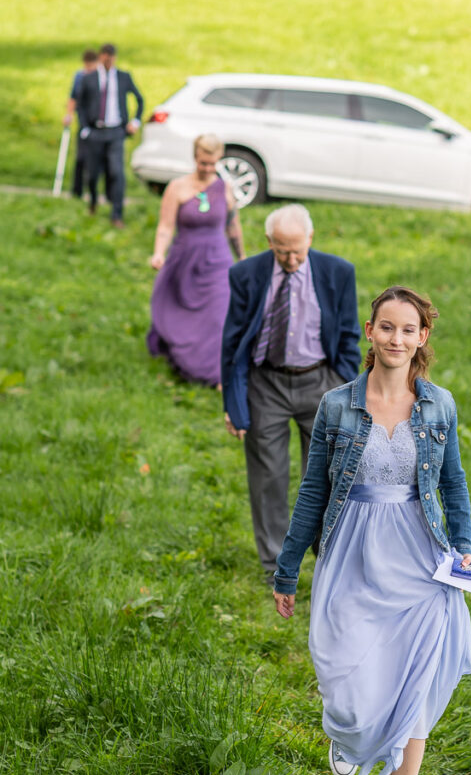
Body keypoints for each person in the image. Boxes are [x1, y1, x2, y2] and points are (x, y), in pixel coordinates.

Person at [273, 286, 471, 775]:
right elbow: (314, 490)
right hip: (354, 551)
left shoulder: (439, 405)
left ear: (422, 338)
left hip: (420, 556)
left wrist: (462, 551)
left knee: (414, 686)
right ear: (370, 332)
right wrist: (288, 571)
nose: (396, 339)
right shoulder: (337, 406)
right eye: (386, 328)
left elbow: (453, 483)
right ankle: (349, 731)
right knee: (344, 670)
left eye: (407, 330)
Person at [221, 204, 360, 580]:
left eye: (298, 250)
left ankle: (326, 555)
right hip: (266, 382)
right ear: (269, 242)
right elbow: (232, 344)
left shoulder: (337, 272)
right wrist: (234, 405)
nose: (292, 259)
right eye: (282, 251)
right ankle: (275, 564)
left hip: (321, 381)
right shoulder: (246, 275)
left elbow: (349, 336)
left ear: (310, 239)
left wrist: (346, 389)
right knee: (268, 475)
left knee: (328, 474)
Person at [146, 134, 245, 386]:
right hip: (186, 258)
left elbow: (233, 227)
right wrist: (159, 252)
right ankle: (185, 356)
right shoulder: (177, 187)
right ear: (195, 158)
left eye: (213, 164)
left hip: (218, 259)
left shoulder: (224, 188)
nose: (208, 169)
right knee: (183, 313)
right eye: (203, 163)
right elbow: (166, 227)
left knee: (219, 315)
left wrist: (242, 257)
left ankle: (217, 374)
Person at [76, 43, 144, 227]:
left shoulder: (123, 77)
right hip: (95, 131)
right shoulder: (89, 78)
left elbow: (139, 99)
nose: (108, 59)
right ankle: (93, 202)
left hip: (116, 132)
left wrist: (135, 121)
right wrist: (84, 128)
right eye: (105, 56)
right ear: (100, 57)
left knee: (116, 172)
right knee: (92, 174)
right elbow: (80, 104)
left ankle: (117, 214)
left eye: (111, 56)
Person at [62, 49, 98, 199]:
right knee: (81, 157)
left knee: (96, 159)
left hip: (98, 124)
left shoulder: (101, 77)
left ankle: (95, 191)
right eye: (86, 66)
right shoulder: (80, 76)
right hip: (83, 123)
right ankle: (77, 191)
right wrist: (68, 114)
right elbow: (73, 97)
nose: (88, 69)